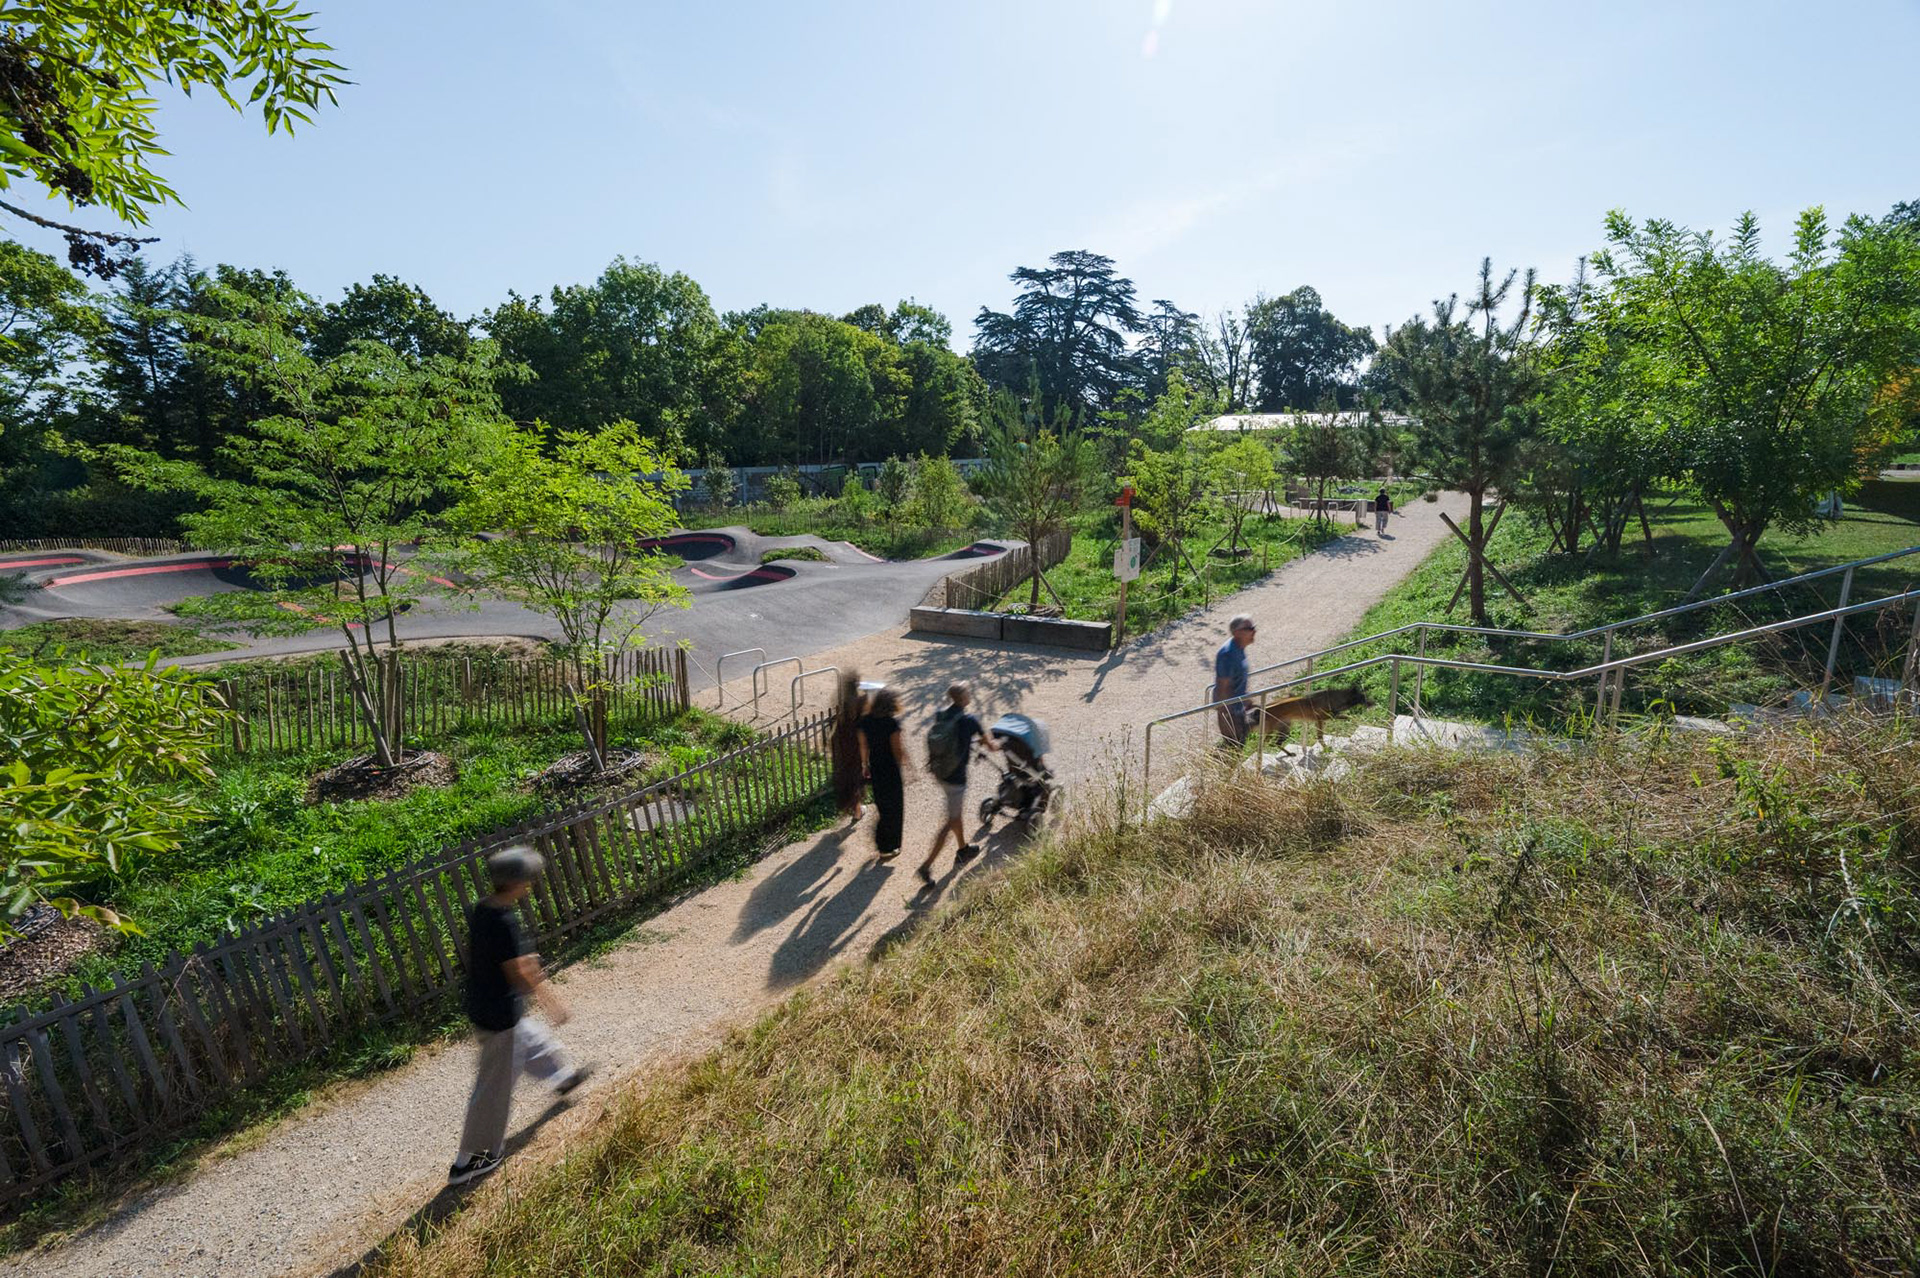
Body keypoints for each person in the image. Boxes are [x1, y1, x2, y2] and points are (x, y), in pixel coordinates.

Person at [448, 846, 589, 1186]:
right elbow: (518, 973)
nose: (530, 886)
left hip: (485, 1004)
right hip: (499, 1015)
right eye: (528, 880)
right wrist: (550, 1000)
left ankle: (562, 1076)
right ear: (516, 883)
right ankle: (472, 1159)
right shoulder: (505, 922)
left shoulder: (483, 909)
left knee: (533, 1039)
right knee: (493, 1087)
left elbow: (501, 958)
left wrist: (523, 959)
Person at [918, 682, 996, 886]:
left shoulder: (941, 715)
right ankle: (926, 866)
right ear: (962, 698)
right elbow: (991, 745)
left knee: (957, 815)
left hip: (940, 773)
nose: (970, 695)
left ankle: (963, 850)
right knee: (951, 821)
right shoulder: (970, 720)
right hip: (956, 778)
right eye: (968, 693)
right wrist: (997, 743)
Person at [857, 688, 909, 859]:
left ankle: (882, 844)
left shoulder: (865, 721)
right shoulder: (892, 724)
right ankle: (889, 846)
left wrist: (865, 764)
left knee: (882, 805)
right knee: (894, 808)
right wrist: (904, 767)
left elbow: (863, 746)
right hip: (891, 769)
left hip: (875, 767)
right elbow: (897, 750)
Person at [830, 672, 867, 825]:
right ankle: (857, 811)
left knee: (847, 776)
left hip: (843, 742)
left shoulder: (841, 701)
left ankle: (849, 807)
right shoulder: (860, 701)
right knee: (856, 778)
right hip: (855, 743)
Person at [1214, 614, 1257, 746]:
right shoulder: (1228, 654)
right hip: (1231, 713)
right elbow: (1223, 687)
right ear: (1237, 632)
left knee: (1239, 745)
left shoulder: (1239, 649)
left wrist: (1246, 700)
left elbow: (1236, 681)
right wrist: (1226, 718)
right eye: (1250, 628)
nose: (1254, 631)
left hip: (1239, 709)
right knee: (1233, 746)